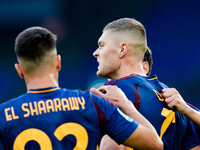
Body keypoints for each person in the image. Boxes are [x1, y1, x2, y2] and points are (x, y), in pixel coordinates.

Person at [0, 26, 163, 150]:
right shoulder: (94, 103)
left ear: (19, 70)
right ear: (58, 62)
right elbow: (155, 144)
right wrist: (127, 106)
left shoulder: (4, 115)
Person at [93, 17, 200, 150]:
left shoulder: (114, 93)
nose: (95, 53)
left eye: (101, 45)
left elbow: (110, 147)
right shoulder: (176, 101)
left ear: (122, 50)